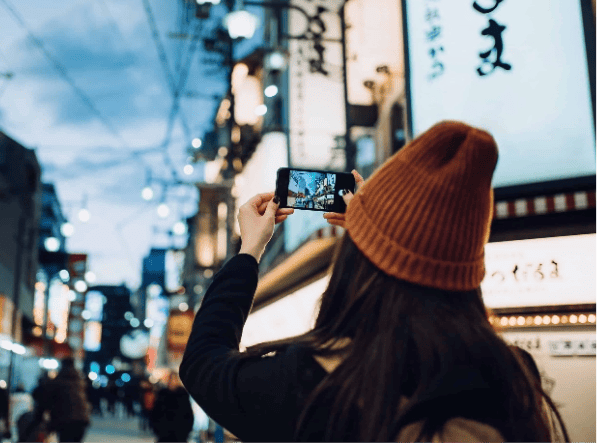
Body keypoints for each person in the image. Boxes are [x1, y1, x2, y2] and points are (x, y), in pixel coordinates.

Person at [179, 121, 570, 442]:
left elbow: (201, 363)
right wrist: (378, 232)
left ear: (357, 265)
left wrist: (250, 250)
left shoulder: (307, 386)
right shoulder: (514, 381)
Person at [34, 357, 91, 442]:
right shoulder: (79, 381)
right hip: (82, 420)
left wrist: (38, 417)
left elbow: (45, 401)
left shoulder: (58, 381)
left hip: (65, 421)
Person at [149, 371, 194, 443]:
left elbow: (188, 415)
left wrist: (186, 431)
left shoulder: (183, 395)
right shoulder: (162, 394)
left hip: (180, 434)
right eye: (170, 379)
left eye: (173, 380)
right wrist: (157, 429)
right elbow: (155, 412)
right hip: (164, 433)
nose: (171, 382)